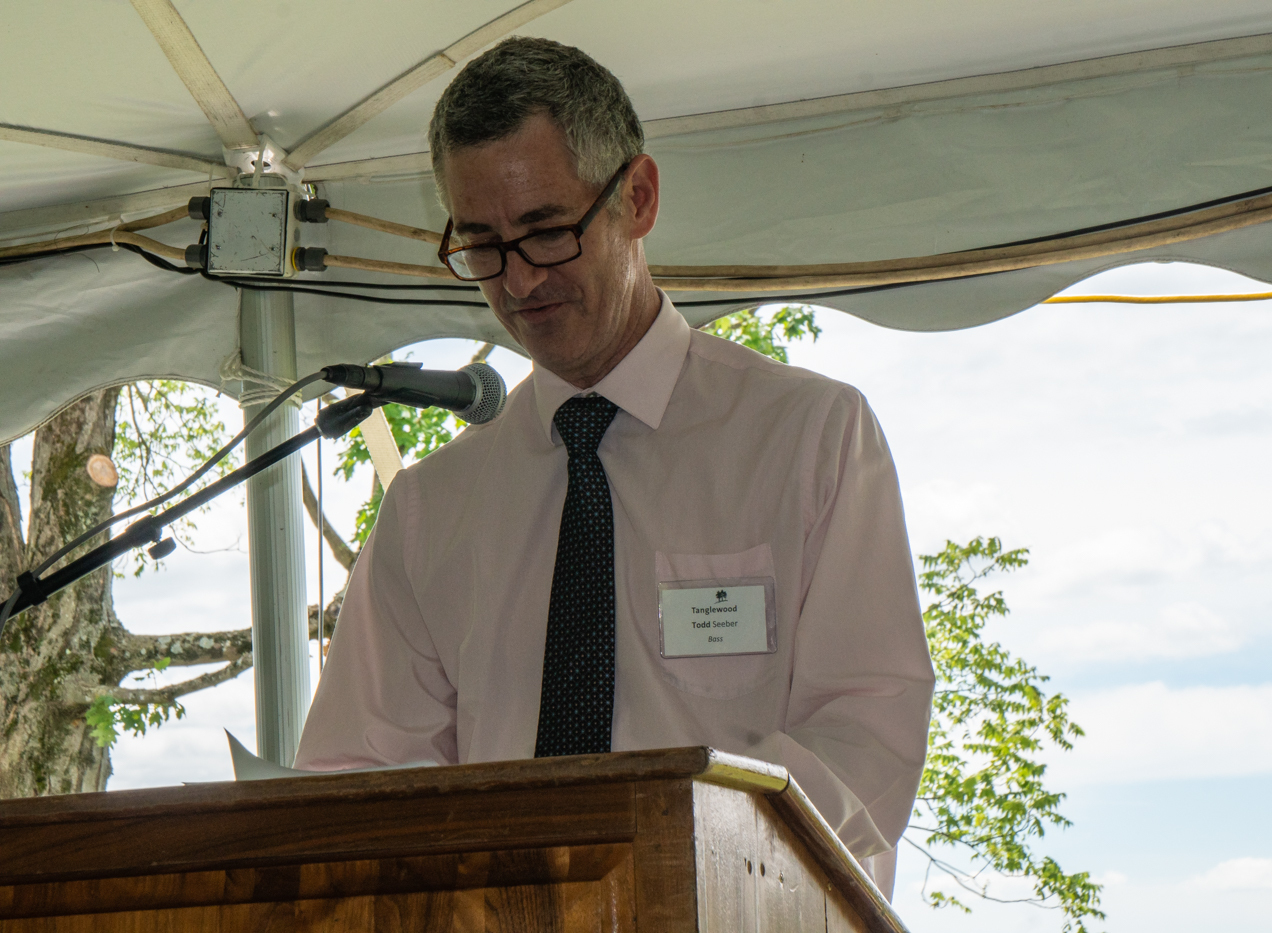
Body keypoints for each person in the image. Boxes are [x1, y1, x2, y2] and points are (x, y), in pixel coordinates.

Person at [294, 36, 934, 898]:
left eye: (546, 232)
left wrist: (657, 869)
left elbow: (867, 740)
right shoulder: (428, 510)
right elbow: (355, 785)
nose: (518, 281)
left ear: (638, 197)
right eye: (481, 244)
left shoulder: (809, 437)